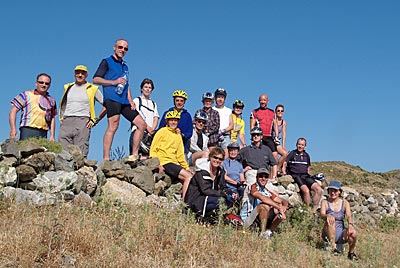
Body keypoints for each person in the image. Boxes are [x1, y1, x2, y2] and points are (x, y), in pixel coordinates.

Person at [93, 38, 146, 161]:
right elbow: (95, 79)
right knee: (114, 125)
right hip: (112, 97)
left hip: (124, 100)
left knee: (141, 124)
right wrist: (113, 82)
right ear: (114, 47)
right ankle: (106, 158)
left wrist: (131, 100)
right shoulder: (106, 62)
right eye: (120, 47)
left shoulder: (125, 66)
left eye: (125, 48)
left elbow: (126, 84)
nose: (122, 50)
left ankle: (134, 155)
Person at [58, 65, 106, 157]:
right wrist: (62, 118)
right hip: (66, 121)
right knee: (62, 152)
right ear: (74, 74)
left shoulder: (92, 88)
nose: (80, 75)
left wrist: (95, 119)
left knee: (80, 153)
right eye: (77, 73)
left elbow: (107, 105)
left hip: (83, 121)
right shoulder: (68, 87)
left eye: (82, 73)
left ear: (86, 75)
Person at [150, 110, 193, 199]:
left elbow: (180, 154)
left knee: (191, 178)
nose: (173, 122)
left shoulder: (178, 135)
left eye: (175, 120)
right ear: (167, 121)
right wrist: (158, 164)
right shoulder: (162, 131)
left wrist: (187, 168)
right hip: (165, 161)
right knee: (188, 176)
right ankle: (185, 202)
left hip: (174, 162)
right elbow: (154, 149)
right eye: (171, 120)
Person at [185, 147, 236, 219]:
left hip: (210, 197)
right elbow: (205, 190)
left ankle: (212, 217)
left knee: (229, 201)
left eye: (220, 159)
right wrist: (222, 194)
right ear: (210, 157)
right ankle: (197, 215)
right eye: (215, 157)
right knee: (220, 201)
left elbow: (222, 186)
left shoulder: (220, 172)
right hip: (197, 199)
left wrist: (230, 192)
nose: (217, 160)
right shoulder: (201, 171)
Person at [240, 168, 288, 238]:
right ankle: (262, 233)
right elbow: (262, 198)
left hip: (259, 219)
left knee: (278, 209)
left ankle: (268, 232)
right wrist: (279, 207)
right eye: (261, 176)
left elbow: (282, 201)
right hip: (248, 219)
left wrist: (284, 207)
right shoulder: (252, 187)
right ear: (256, 178)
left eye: (265, 177)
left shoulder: (266, 191)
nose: (263, 178)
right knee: (264, 206)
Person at [9, 73, 57, 141]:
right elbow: (13, 111)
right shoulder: (26, 95)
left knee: (42, 151)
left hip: (43, 132)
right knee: (25, 150)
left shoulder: (51, 100)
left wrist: (52, 135)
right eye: (41, 82)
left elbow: (52, 118)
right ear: (36, 83)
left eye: (46, 83)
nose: (44, 85)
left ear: (49, 85)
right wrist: (13, 129)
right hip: (28, 130)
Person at [282, 137, 323, 213]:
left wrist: (308, 174)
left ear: (305, 146)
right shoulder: (292, 153)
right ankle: (307, 210)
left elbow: (308, 166)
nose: (300, 146)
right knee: (306, 191)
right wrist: (284, 172)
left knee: (319, 190)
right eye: (299, 144)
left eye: (302, 145)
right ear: (296, 144)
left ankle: (313, 210)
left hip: (306, 175)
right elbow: (285, 163)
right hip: (296, 175)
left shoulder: (306, 155)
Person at [320, 181, 358, 260]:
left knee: (353, 233)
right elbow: (322, 214)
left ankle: (351, 253)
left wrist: (350, 225)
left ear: (339, 192)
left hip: (341, 232)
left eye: (335, 191)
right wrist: (327, 215)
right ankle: (333, 247)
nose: (333, 192)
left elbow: (349, 216)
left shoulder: (345, 203)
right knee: (331, 219)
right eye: (331, 190)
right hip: (328, 231)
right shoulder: (325, 202)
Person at [129, 78, 159, 158]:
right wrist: (147, 127)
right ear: (141, 88)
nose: (148, 89)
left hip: (149, 135)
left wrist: (152, 129)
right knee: (135, 156)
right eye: (146, 87)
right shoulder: (137, 100)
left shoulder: (153, 103)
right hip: (137, 131)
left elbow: (156, 117)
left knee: (149, 158)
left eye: (150, 88)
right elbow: (135, 115)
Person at [159, 90, 193, 154]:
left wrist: (182, 135)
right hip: (166, 146)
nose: (179, 103)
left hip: (181, 148)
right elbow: (160, 129)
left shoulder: (187, 115)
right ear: (174, 101)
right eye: (177, 100)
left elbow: (189, 132)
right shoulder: (167, 113)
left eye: (181, 101)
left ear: (184, 102)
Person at [250, 94, 278, 160]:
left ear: (267, 101)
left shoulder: (272, 112)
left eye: (264, 100)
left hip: (269, 136)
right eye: (261, 100)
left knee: (275, 154)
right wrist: (253, 137)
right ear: (259, 101)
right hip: (259, 136)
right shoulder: (254, 112)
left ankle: (274, 170)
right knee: (260, 156)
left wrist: (276, 137)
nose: (263, 102)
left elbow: (275, 125)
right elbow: (252, 126)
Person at [213, 88, 233, 155]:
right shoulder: (212, 109)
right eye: (218, 97)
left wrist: (223, 131)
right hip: (214, 135)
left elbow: (231, 125)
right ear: (215, 98)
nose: (220, 99)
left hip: (225, 135)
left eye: (222, 97)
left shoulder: (228, 110)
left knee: (226, 151)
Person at [272, 104, 288, 174]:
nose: (280, 112)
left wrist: (283, 145)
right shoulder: (273, 120)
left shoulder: (283, 122)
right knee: (274, 156)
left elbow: (284, 133)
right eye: (278, 111)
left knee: (285, 153)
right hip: (271, 140)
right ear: (275, 112)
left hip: (277, 141)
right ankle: (274, 172)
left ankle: (278, 169)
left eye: (282, 111)